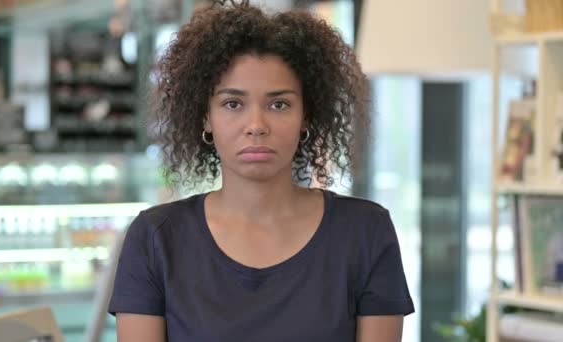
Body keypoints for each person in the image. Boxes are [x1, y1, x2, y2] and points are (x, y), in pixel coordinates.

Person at [108, 1, 414, 341]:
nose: (256, 125)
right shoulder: (155, 238)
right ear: (205, 117)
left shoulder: (365, 232)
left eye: (279, 104)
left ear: (306, 117)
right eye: (233, 103)